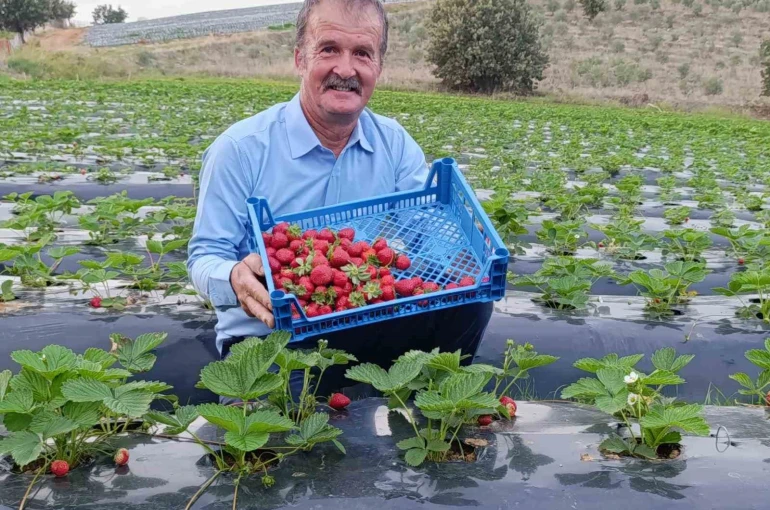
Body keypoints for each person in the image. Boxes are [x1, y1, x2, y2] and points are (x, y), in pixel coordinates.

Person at [187, 0, 493, 398]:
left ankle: (434, 416)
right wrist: (233, 278)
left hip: (366, 320)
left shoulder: (395, 144)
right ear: (300, 58)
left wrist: (462, 254)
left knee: (468, 304)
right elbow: (205, 255)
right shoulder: (240, 150)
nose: (345, 70)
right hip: (272, 340)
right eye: (329, 48)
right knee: (297, 434)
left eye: (362, 53)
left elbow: (427, 231)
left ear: (378, 68)